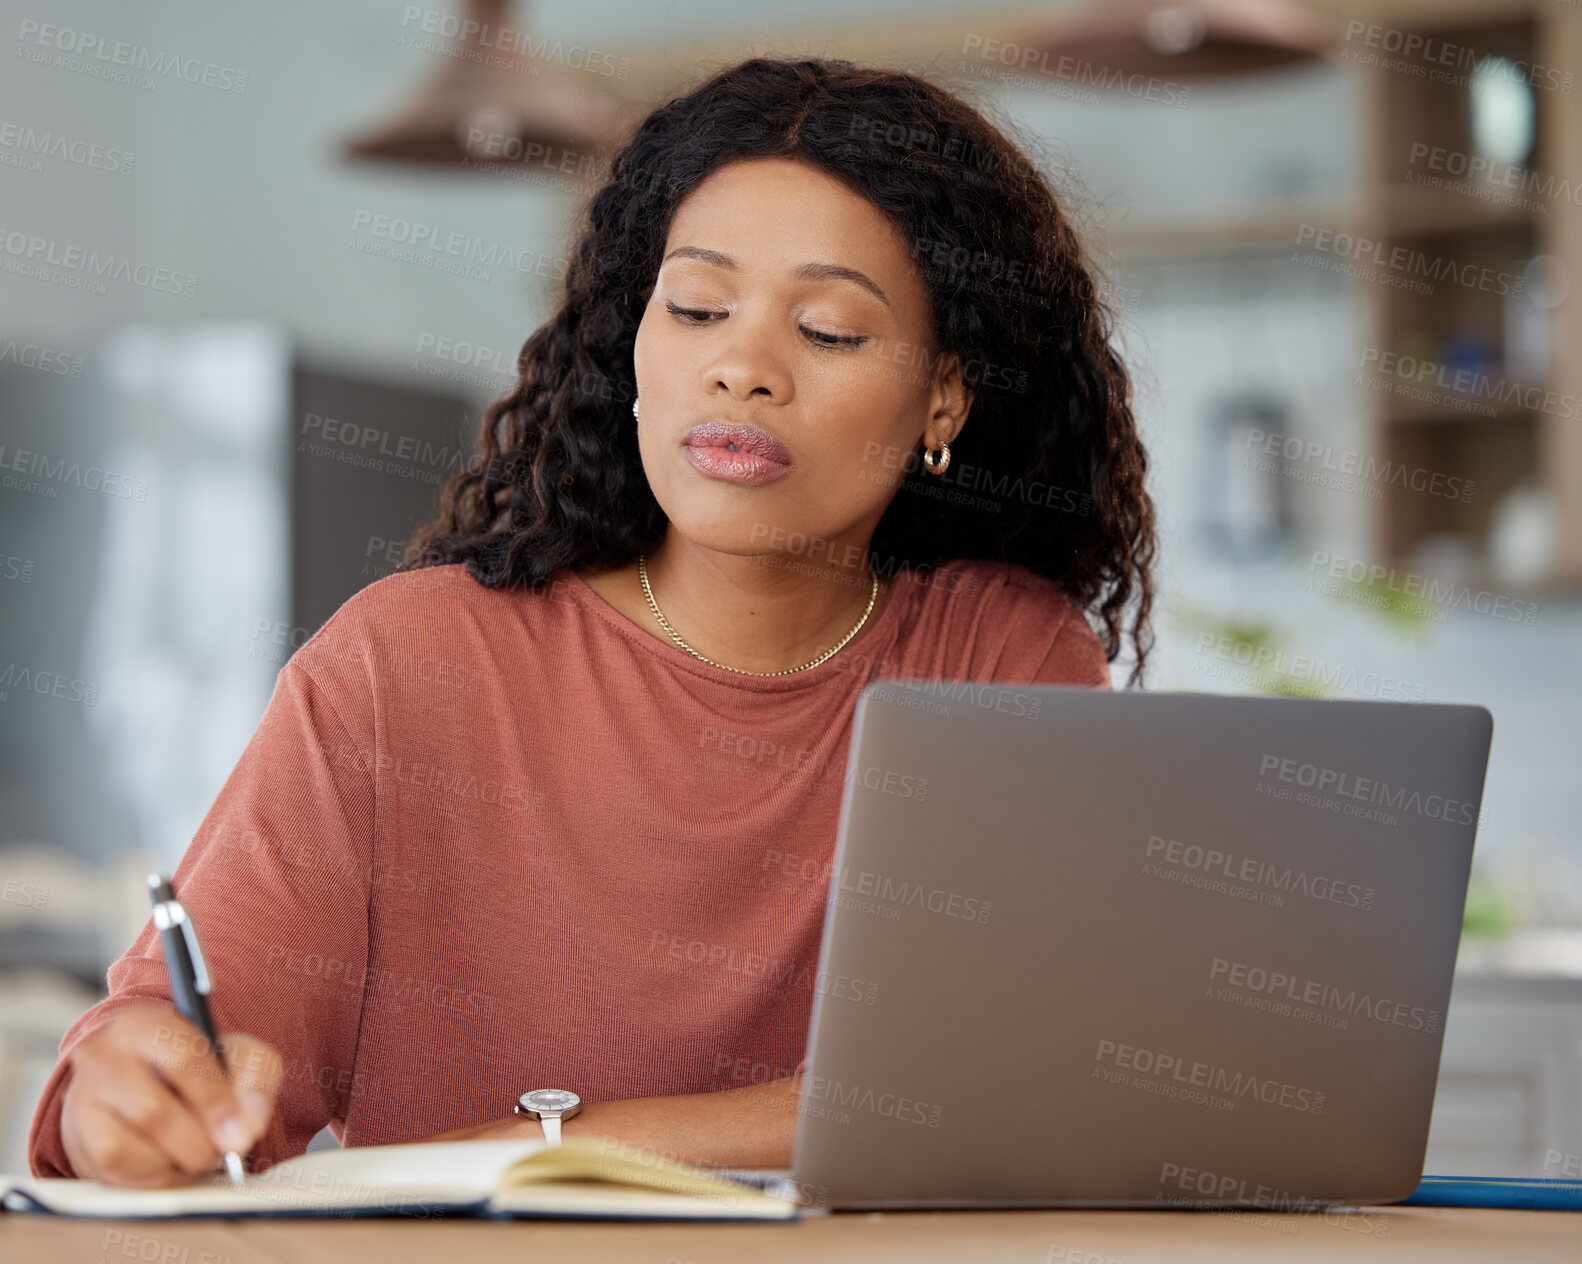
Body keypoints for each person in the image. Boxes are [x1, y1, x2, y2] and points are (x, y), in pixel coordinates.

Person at [29, 54, 1155, 1188]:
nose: (741, 369)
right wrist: (124, 1100)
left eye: (827, 330)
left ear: (943, 400)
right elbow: (190, 1075)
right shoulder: (406, 665)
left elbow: (1018, 1083)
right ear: (633, 343)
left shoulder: (996, 657)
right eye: (699, 307)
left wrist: (549, 1146)